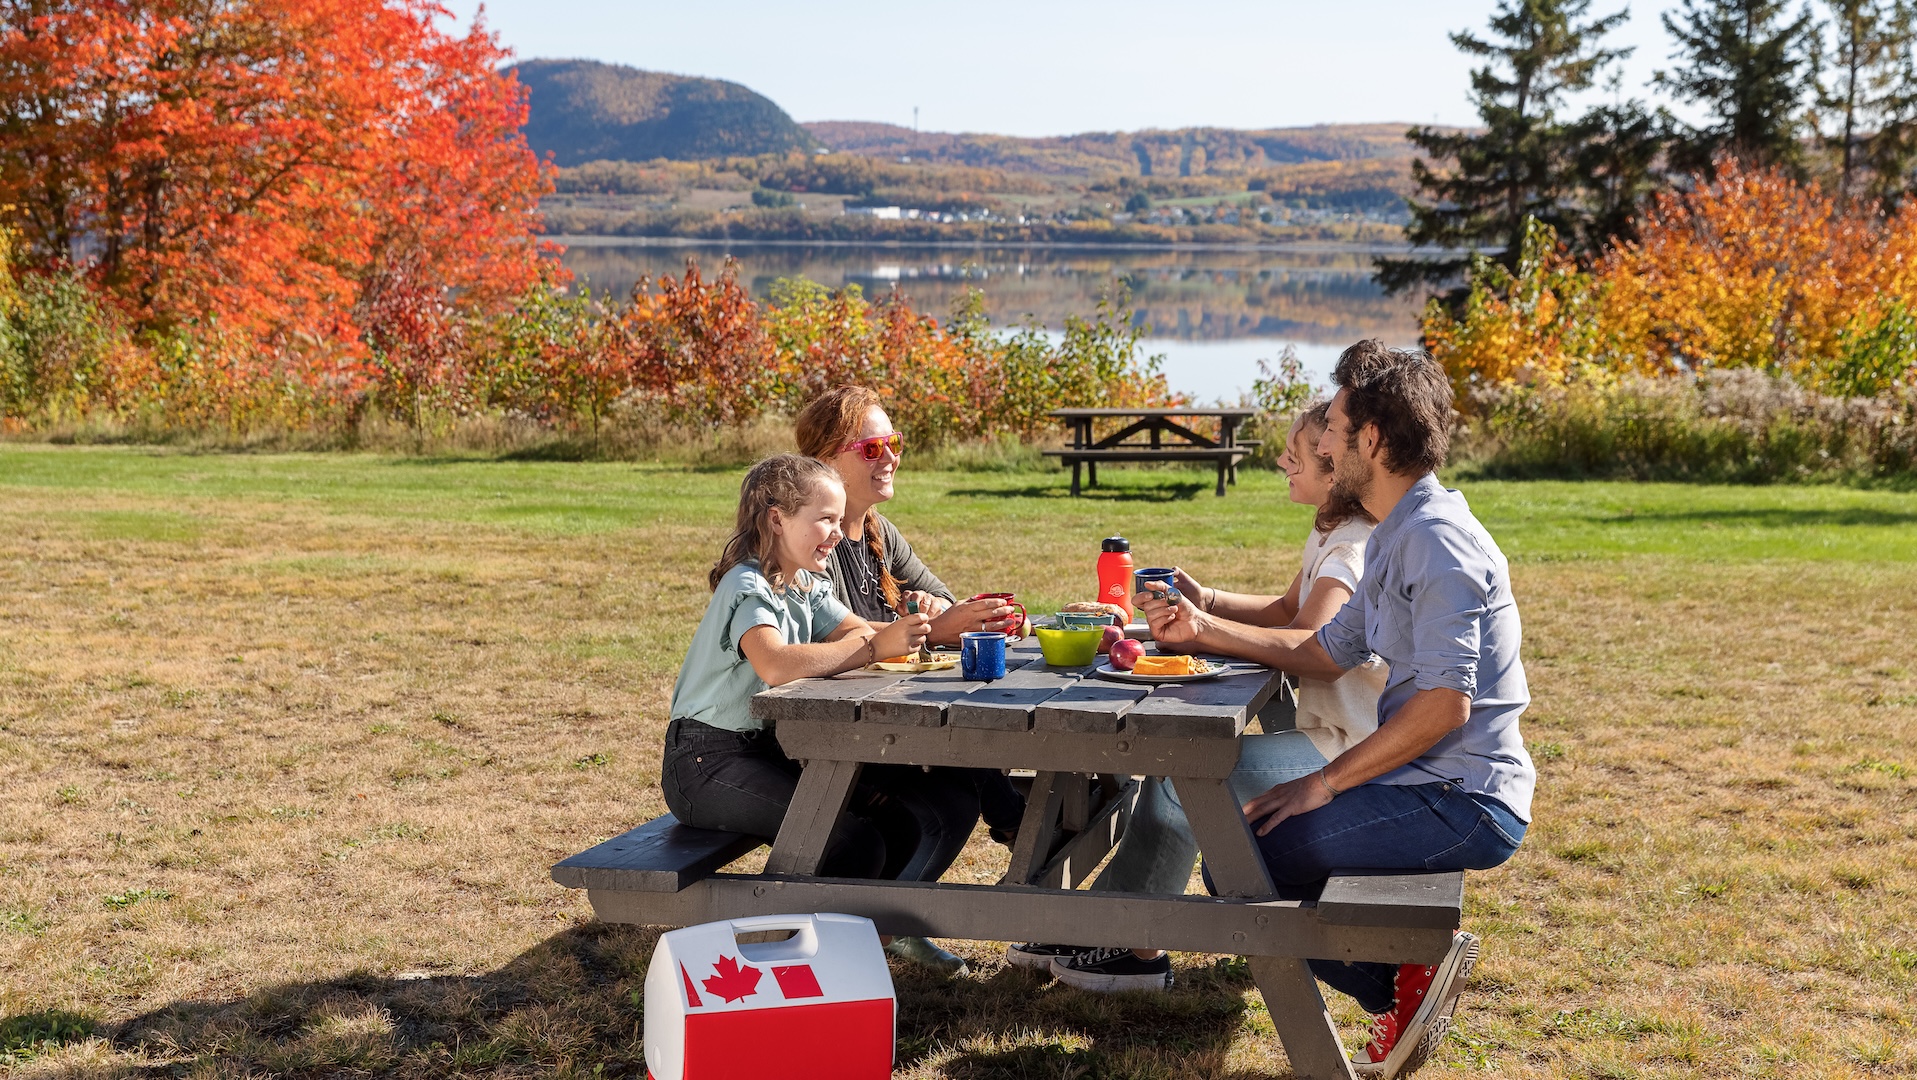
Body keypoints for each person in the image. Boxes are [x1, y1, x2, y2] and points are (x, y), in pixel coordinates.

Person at [1139, 340, 1535, 1080]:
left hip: (1465, 801)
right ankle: (1406, 987)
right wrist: (1202, 627)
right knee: (1239, 854)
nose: (1321, 442)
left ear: (1371, 441)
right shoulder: (1397, 532)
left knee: (1240, 865)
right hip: (1423, 782)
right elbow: (1327, 647)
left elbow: (1444, 707)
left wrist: (1321, 783)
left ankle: (1402, 983)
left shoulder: (1438, 542)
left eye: (1334, 429)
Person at [1011, 401, 1389, 992]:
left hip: (1349, 748)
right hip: (1334, 734)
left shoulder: (1352, 547)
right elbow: (1285, 610)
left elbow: (1308, 640)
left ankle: (1133, 945)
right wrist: (1204, 598)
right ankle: (1099, 919)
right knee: (1174, 771)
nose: (1283, 461)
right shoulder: (1332, 531)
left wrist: (1204, 630)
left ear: (1334, 467)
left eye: (1297, 454)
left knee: (1185, 777)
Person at [660, 453, 977, 968]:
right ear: (777, 519)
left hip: (765, 752)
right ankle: (782, 956)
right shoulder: (748, 584)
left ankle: (856, 948)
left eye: (838, 518)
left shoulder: (805, 582)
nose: (836, 531)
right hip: (705, 763)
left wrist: (909, 629)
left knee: (897, 825)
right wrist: (873, 649)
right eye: (825, 519)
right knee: (849, 840)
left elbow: (857, 629)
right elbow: (775, 663)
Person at [794, 385, 1026, 973]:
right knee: (960, 760)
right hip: (826, 733)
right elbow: (833, 644)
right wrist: (933, 627)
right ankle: (1021, 827)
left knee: (958, 781)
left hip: (882, 719)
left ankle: (897, 923)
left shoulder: (879, 532)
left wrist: (953, 612)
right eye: (873, 447)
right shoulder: (812, 541)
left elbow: (943, 601)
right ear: (826, 459)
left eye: (893, 442)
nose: (891, 457)